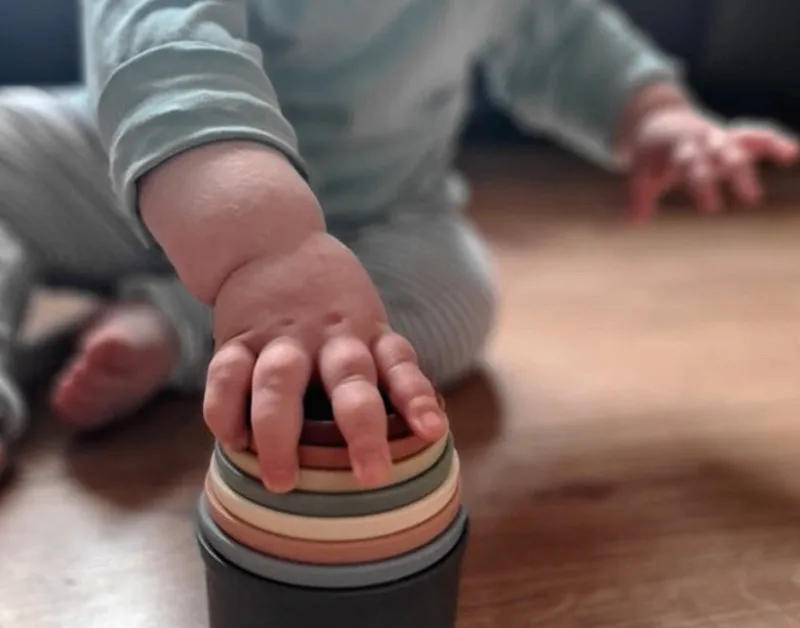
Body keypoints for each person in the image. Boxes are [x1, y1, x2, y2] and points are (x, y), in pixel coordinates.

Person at [0, 0, 795, 488]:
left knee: (454, 301)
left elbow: (566, 38)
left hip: (372, 220)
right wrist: (262, 247)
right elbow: (160, 43)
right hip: (145, 164)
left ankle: (183, 327)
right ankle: (231, 307)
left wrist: (656, 118)